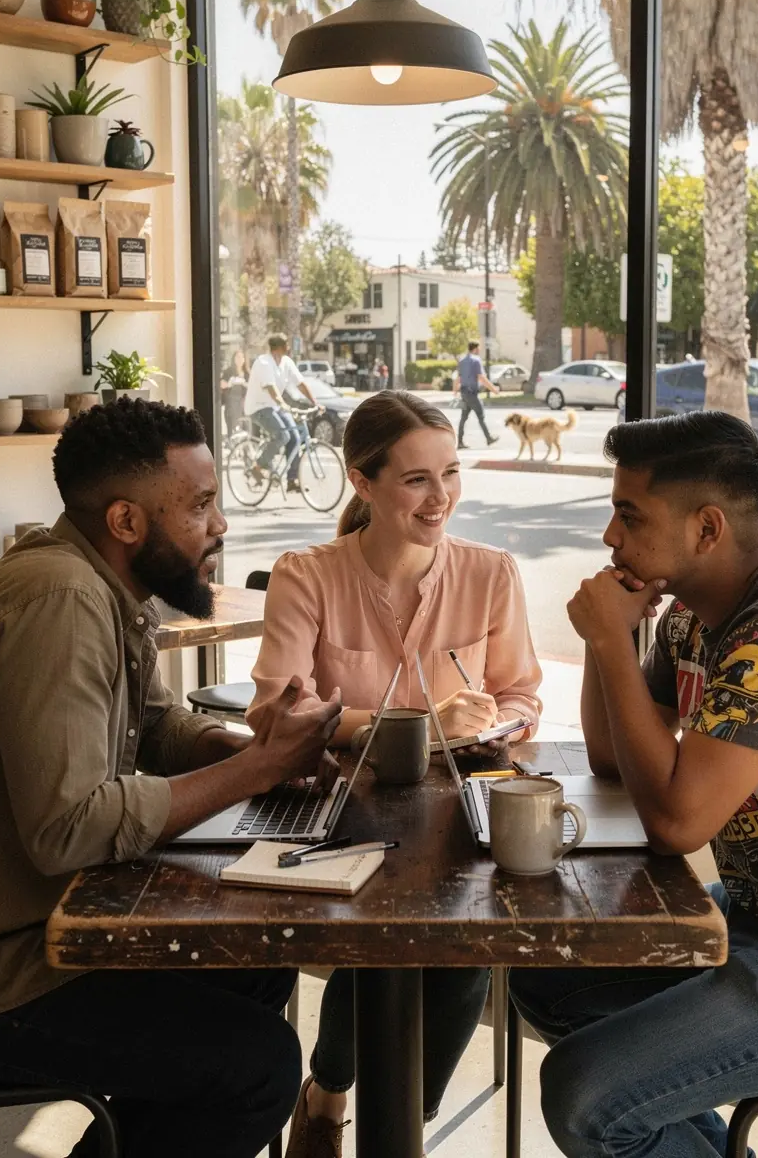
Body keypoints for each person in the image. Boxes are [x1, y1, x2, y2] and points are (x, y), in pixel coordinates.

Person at [0, 398, 342, 1158]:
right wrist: (256, 769)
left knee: (256, 965)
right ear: (125, 522)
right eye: (202, 505)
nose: (219, 526)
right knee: (258, 1068)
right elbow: (68, 827)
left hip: (53, 928)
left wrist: (250, 744)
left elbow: (153, 727)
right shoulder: (62, 598)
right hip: (10, 971)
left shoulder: (103, 587)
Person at [248, 389, 542, 1158]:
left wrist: (495, 722)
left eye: (450, 473)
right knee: (381, 931)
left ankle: (393, 1121)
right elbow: (277, 712)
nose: (439, 496)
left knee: (468, 943)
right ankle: (336, 1093)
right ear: (362, 482)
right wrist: (412, 727)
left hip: (457, 810)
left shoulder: (492, 574)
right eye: (415, 479)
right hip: (339, 811)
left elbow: (520, 694)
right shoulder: (306, 574)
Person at [510, 411, 758, 1158]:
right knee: (549, 978)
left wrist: (609, 638)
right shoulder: (691, 619)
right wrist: (612, 638)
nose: (611, 536)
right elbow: (614, 758)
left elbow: (679, 823)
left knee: (586, 1097)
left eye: (628, 514)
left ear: (707, 529)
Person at [245, 335, 322, 489]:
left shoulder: (287, 362)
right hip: (258, 407)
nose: (290, 347)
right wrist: (283, 404)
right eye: (287, 344)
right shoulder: (264, 362)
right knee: (282, 435)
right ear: (278, 347)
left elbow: (300, 383)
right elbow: (271, 388)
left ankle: (292, 480)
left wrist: (315, 402)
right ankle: (257, 466)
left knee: (294, 437)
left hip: (275, 407)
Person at [453, 340, 499, 449]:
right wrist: (493, 389)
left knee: (463, 417)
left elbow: (458, 378)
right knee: (480, 415)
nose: (479, 350)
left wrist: (455, 391)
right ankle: (488, 438)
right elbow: (481, 377)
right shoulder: (476, 360)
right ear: (475, 349)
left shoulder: (462, 360)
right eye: (479, 348)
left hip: (464, 393)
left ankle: (459, 442)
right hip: (472, 393)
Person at [220, 347, 249, 437]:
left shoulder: (247, 373)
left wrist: (244, 383)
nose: (240, 359)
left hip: (243, 402)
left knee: (243, 425)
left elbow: (251, 387)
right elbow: (221, 384)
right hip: (231, 402)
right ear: (234, 359)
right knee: (232, 426)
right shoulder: (228, 371)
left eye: (241, 357)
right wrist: (230, 383)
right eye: (237, 357)